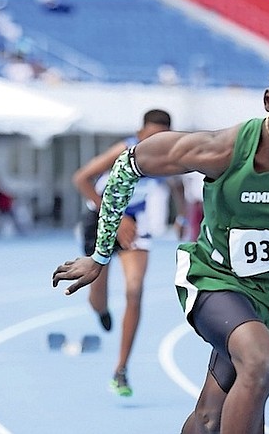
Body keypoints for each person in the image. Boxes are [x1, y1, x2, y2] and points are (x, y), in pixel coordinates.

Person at [53, 45, 269, 434]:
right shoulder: (224, 148)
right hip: (215, 280)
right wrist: (99, 255)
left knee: (211, 417)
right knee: (261, 362)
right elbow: (127, 166)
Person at [71, 109, 172, 397]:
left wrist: (180, 213)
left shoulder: (169, 155)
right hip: (103, 218)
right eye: (150, 137)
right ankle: (100, 310)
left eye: (161, 138)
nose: (154, 144)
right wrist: (115, 218)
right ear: (140, 134)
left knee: (135, 290)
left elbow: (175, 184)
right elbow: (81, 179)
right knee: (97, 297)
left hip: (136, 225)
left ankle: (121, 369)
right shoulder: (123, 149)